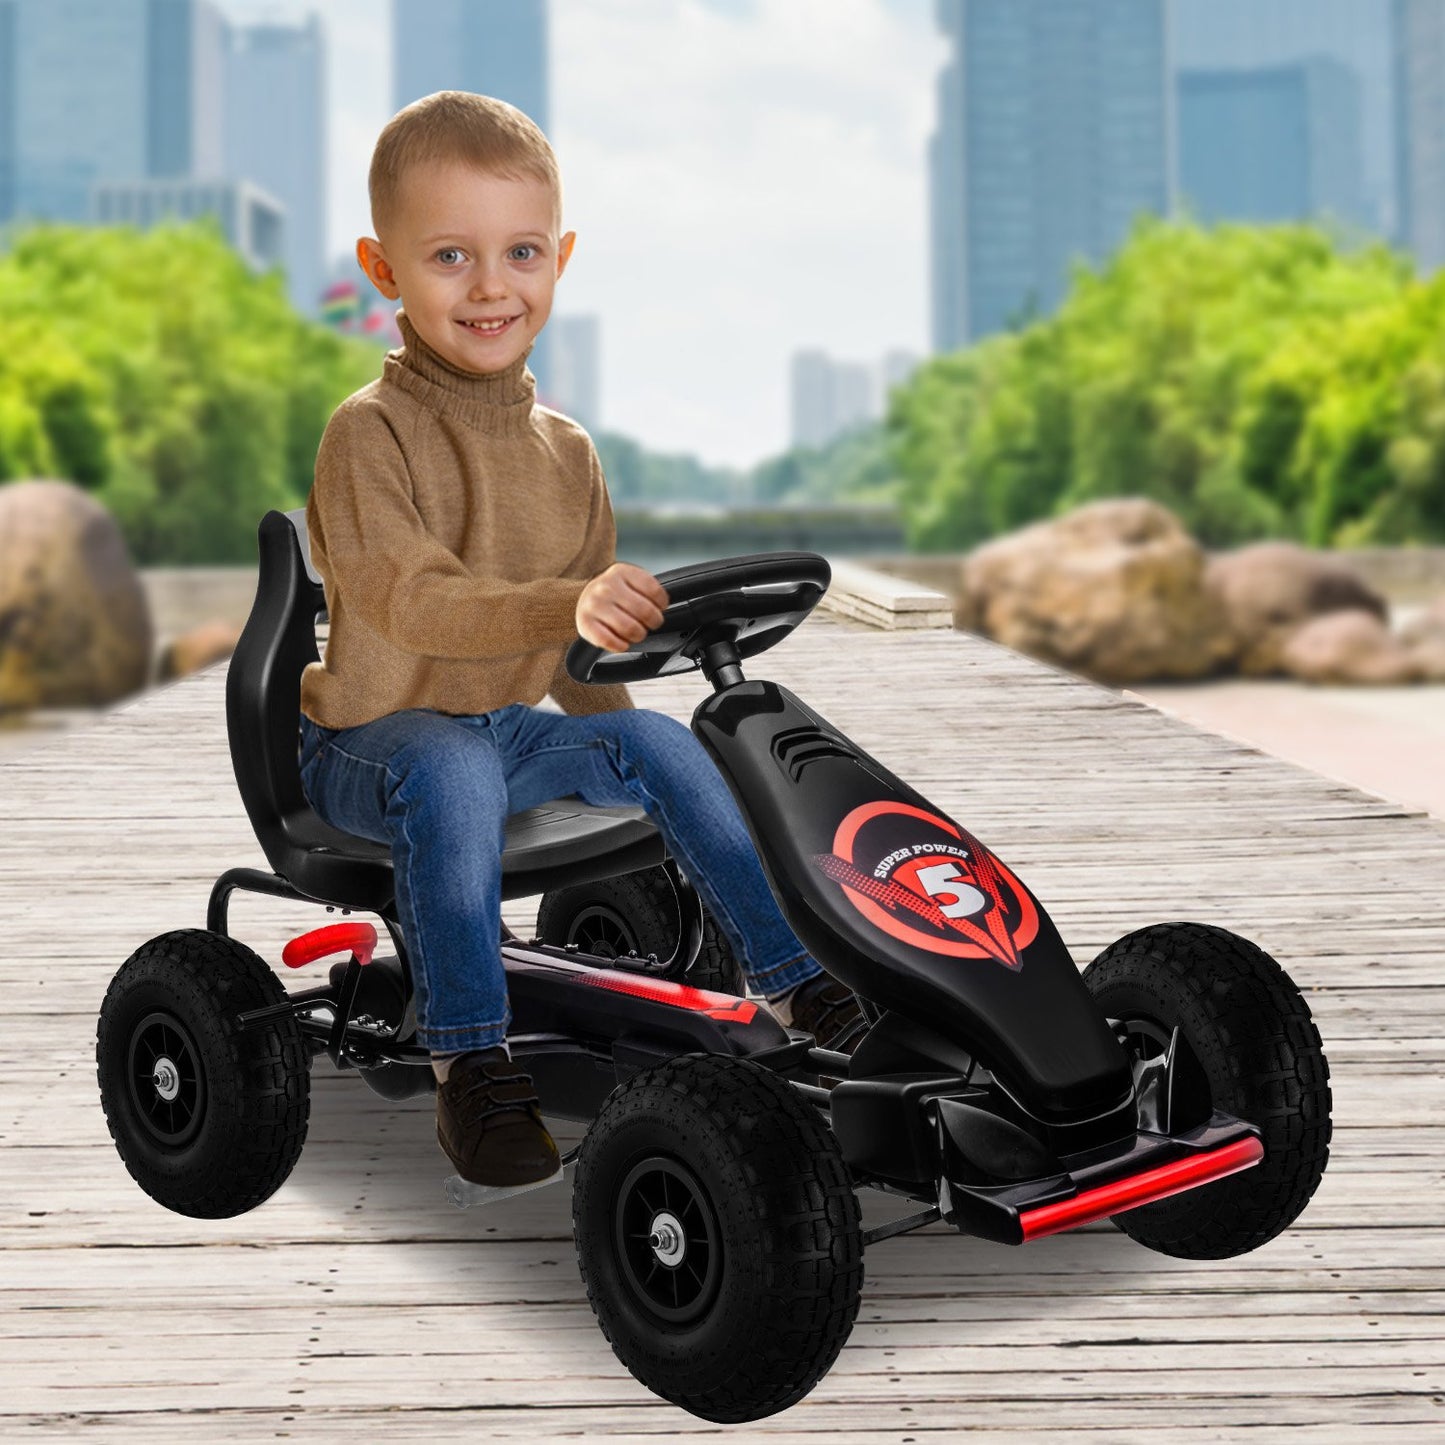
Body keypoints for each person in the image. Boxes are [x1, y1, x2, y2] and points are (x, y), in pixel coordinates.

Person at [296, 91, 864, 1192]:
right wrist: (565, 600)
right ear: (384, 268)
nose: (489, 285)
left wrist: (620, 720)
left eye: (517, 253)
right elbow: (413, 601)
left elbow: (576, 659)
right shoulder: (366, 434)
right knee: (451, 760)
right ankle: (470, 1059)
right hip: (367, 740)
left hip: (496, 732)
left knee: (655, 743)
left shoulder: (568, 452)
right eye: (449, 255)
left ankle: (798, 979)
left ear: (558, 259)